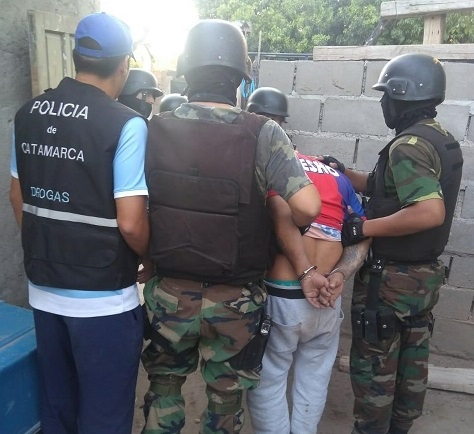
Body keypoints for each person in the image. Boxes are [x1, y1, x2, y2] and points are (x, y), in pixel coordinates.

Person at [140, 19, 329, 434]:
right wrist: (276, 218)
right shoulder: (263, 132)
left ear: (187, 72)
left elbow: (135, 209)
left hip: (168, 294)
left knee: (163, 389)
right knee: (225, 402)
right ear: (241, 78)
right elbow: (308, 206)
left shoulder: (153, 128)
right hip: (235, 302)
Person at [9, 12, 150, 434]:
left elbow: (17, 196)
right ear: (123, 65)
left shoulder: (28, 113)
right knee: (103, 417)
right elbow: (131, 223)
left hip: (43, 291)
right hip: (103, 300)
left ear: (76, 58)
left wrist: (48, 246)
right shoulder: (126, 123)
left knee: (58, 410)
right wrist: (153, 257)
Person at [323, 53, 464, 434]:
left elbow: (428, 211)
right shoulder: (440, 137)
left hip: (390, 284)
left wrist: (363, 228)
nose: (383, 102)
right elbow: (386, 188)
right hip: (422, 281)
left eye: (386, 94)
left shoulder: (408, 146)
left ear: (402, 95)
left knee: (375, 374)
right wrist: (343, 173)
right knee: (410, 368)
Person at [245, 87, 369, 434]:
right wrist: (341, 274)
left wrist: (305, 272)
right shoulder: (334, 174)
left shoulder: (270, 166)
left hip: (283, 294)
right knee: (314, 376)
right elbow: (362, 231)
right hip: (329, 295)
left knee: (269, 378)